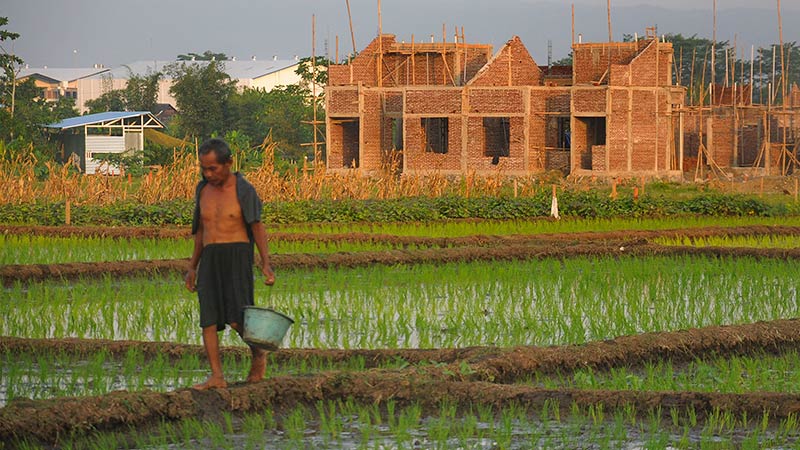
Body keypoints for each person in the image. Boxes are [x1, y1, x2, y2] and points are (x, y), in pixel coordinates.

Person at [184, 137, 275, 390]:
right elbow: (201, 231)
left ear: (228, 163)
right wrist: (193, 267)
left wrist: (265, 263)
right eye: (204, 168)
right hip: (211, 257)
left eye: (213, 168)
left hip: (237, 255)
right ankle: (217, 376)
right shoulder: (202, 190)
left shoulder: (243, 190)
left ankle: (258, 353)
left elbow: (257, 227)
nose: (208, 173)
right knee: (208, 319)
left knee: (237, 318)